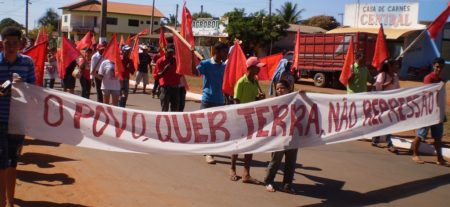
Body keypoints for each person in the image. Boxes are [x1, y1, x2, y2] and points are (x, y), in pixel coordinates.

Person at [0, 26, 36, 207]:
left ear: (20, 44)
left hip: (18, 121)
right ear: (2, 44)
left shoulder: (28, 63)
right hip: (0, 120)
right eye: (8, 43)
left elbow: (35, 91)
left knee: (13, 163)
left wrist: (23, 87)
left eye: (15, 43)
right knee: (1, 164)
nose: (11, 47)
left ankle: (11, 201)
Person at [230, 56, 266, 184]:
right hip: (241, 118)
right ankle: (233, 169)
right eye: (257, 68)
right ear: (250, 68)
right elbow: (236, 101)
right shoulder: (241, 82)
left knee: (250, 146)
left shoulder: (255, 82)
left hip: (252, 118)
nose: (259, 70)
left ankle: (246, 174)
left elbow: (255, 100)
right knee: (238, 145)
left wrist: (260, 98)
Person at [192, 42, 229, 164]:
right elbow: (195, 72)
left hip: (219, 100)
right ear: (217, 52)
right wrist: (193, 57)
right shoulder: (206, 64)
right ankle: (205, 148)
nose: (226, 54)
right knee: (204, 126)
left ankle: (209, 152)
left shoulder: (224, 66)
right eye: (224, 52)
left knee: (215, 128)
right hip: (207, 99)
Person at [412, 57, 448, 166]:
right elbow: (428, 94)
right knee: (421, 135)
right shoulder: (428, 78)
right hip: (427, 112)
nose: (439, 69)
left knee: (437, 137)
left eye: (441, 67)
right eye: (437, 67)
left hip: (437, 112)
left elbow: (441, 98)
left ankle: (439, 158)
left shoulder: (441, 80)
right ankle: (415, 154)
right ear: (433, 66)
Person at [264, 79, 298, 194]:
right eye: (277, 88)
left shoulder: (297, 101)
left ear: (289, 89)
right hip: (278, 137)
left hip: (293, 136)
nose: (279, 90)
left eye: (282, 88)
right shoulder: (274, 102)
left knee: (291, 162)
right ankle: (269, 181)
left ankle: (287, 184)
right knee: (275, 160)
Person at [371, 59, 400, 152]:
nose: (397, 67)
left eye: (397, 65)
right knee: (382, 121)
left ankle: (383, 141)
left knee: (388, 122)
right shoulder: (382, 75)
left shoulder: (395, 77)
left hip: (391, 104)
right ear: (389, 66)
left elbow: (397, 89)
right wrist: (388, 83)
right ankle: (386, 142)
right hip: (381, 104)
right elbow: (378, 87)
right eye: (395, 65)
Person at [154, 47, 181, 112]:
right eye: (169, 52)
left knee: (175, 109)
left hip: (175, 87)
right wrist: (164, 70)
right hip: (165, 88)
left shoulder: (176, 61)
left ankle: (173, 122)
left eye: (172, 52)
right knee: (165, 108)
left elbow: (180, 73)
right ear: (165, 51)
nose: (171, 54)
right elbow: (156, 76)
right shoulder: (160, 61)